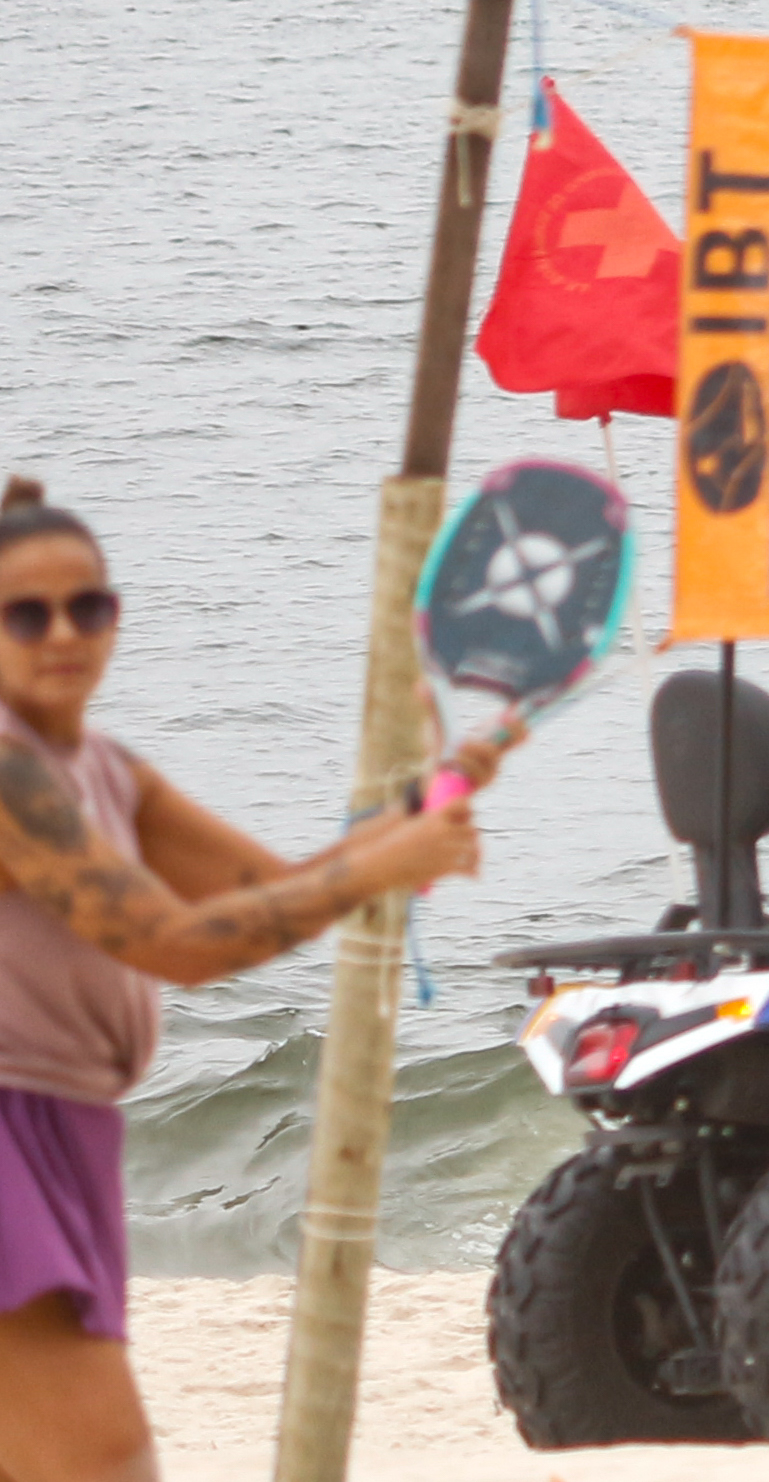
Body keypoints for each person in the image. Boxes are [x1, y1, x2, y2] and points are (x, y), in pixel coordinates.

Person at [0, 478, 489, 1482]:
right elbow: (176, 943)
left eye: (86, 606)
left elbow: (266, 887)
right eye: (25, 611)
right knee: (101, 1455)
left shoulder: (102, 767)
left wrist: (404, 823)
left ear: (116, 617)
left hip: (71, 1126)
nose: (61, 632)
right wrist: (382, 864)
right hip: (10, 1131)